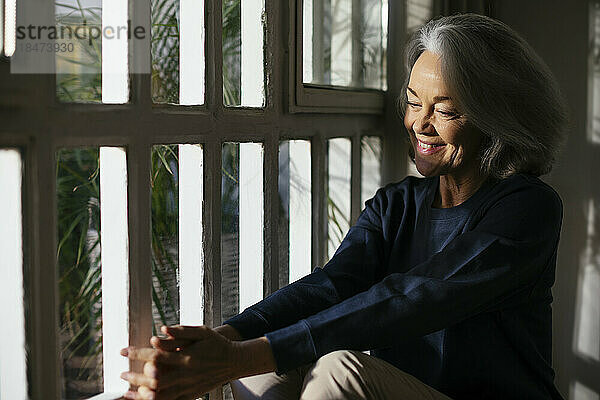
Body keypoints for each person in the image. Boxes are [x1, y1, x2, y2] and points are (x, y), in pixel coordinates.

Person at [119, 13, 568, 400]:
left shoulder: (528, 209)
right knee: (258, 362)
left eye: (445, 111)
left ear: (498, 118)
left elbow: (414, 298)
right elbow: (331, 286)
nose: (420, 124)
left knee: (339, 371)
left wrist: (230, 360)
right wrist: (224, 342)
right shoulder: (397, 204)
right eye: (413, 103)